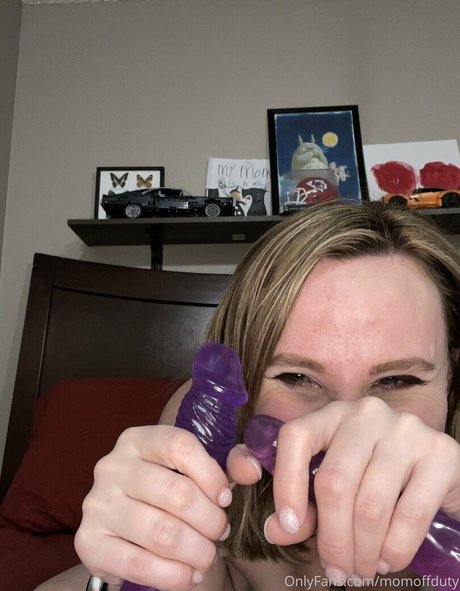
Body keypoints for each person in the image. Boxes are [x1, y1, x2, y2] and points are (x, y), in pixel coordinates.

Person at [36, 201, 460, 591]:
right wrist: (122, 566)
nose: (351, 427)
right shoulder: (210, 430)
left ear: (452, 380)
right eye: (297, 377)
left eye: (398, 381)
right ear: (249, 386)